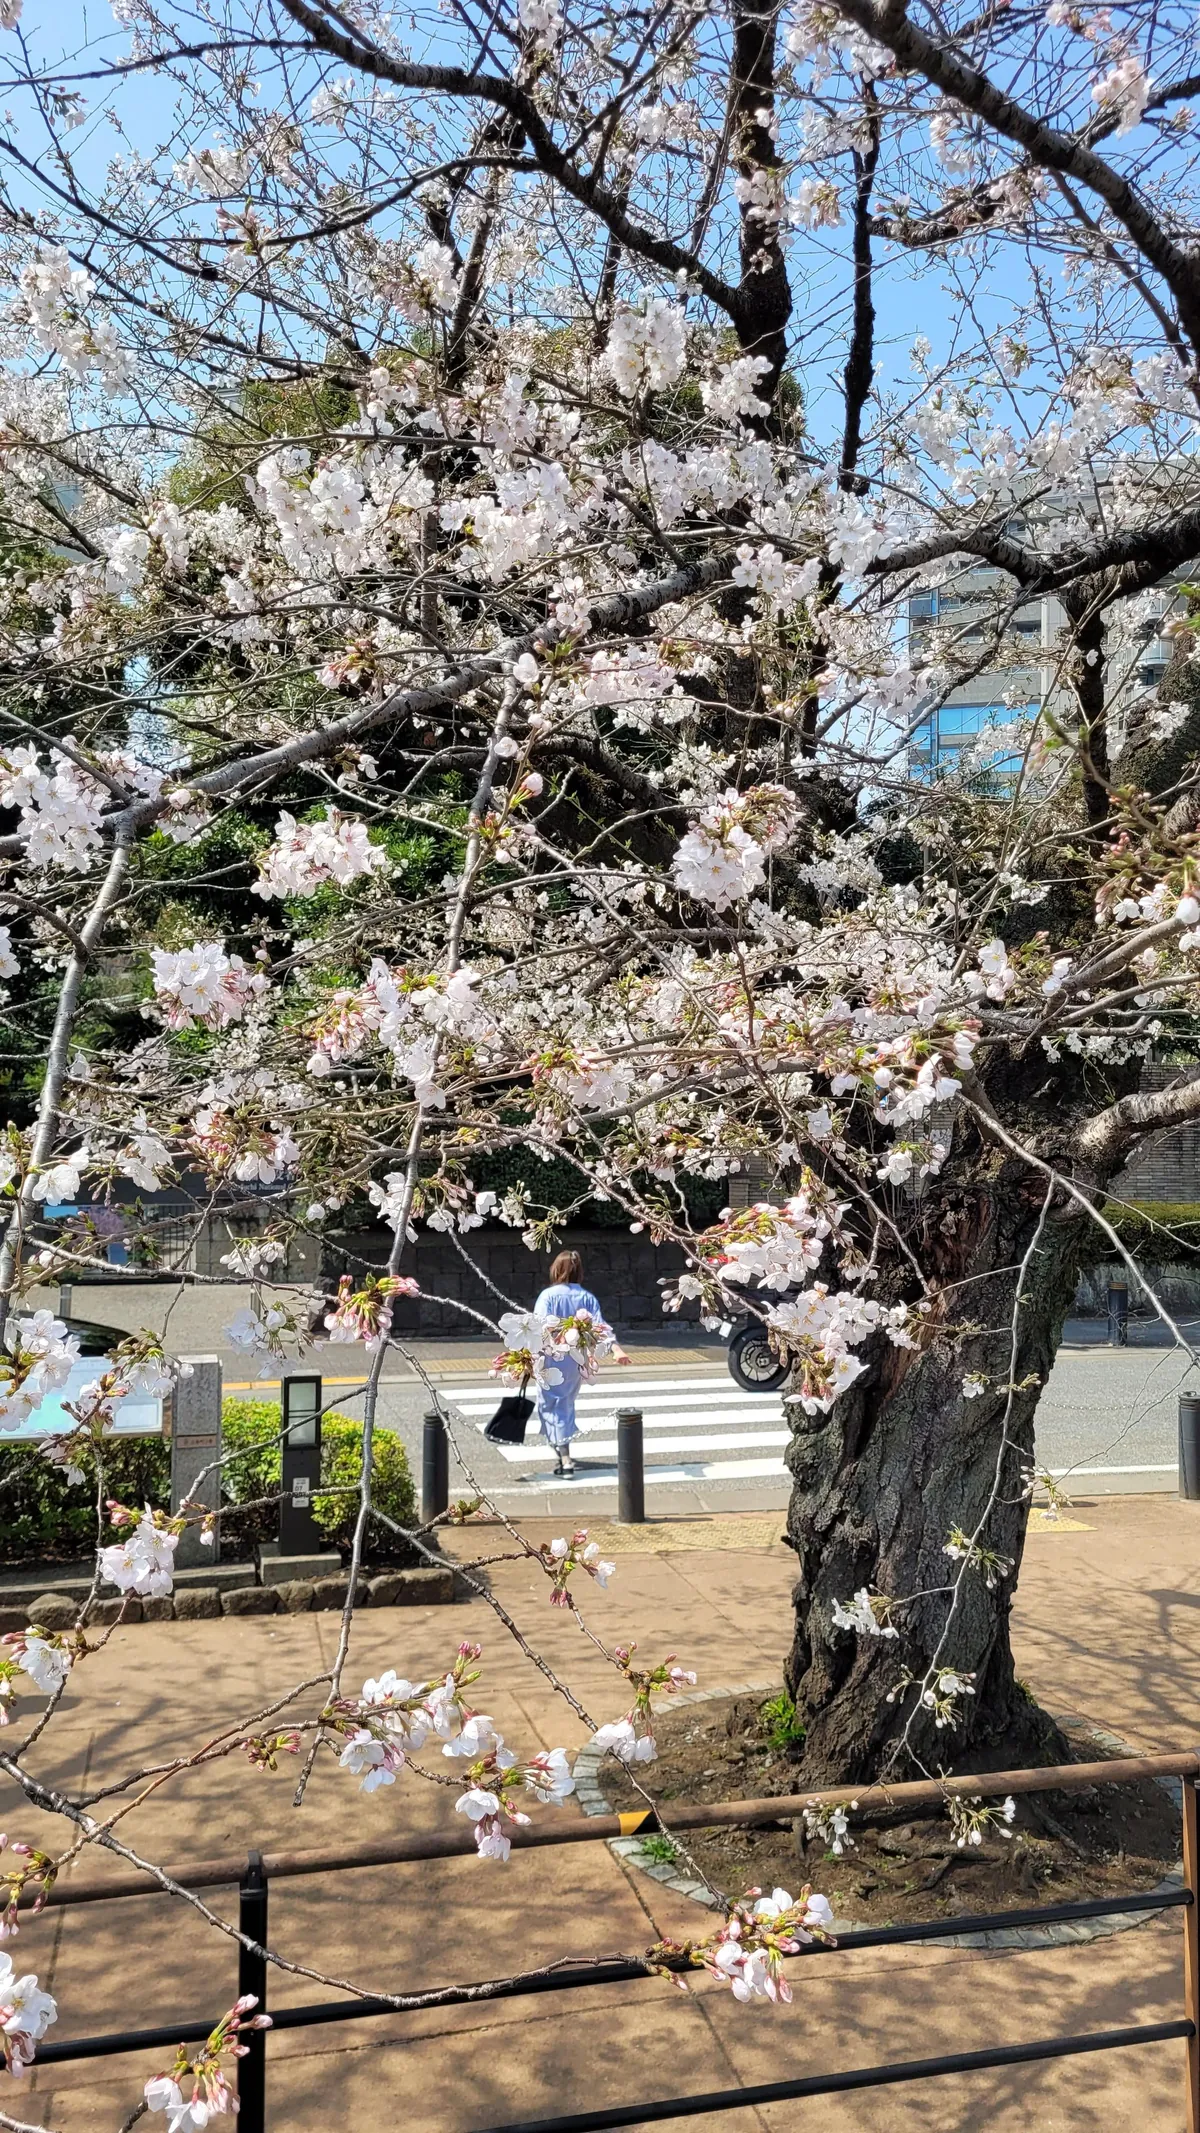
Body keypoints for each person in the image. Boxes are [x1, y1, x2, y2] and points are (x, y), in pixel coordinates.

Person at [533, 1249, 630, 1476]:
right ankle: (562, 1447)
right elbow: (600, 1326)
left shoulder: (548, 1296)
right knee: (565, 1402)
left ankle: (564, 1456)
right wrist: (616, 1349)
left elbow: (539, 1325)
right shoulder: (587, 1298)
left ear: (556, 1269)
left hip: (551, 1356)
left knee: (549, 1403)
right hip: (576, 1359)